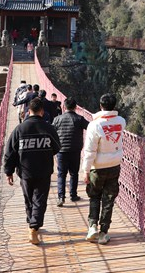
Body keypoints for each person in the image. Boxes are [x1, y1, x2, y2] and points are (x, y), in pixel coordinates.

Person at [3, 97, 60, 245]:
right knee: (40, 200)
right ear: (42, 111)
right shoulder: (48, 128)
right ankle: (34, 226)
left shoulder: (19, 129)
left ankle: (31, 223)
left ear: (29, 111)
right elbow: (57, 147)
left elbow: (10, 152)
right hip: (43, 170)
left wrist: (8, 172)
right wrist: (44, 152)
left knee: (28, 199)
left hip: (25, 171)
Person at [81, 93, 126, 245]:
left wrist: (86, 170)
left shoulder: (94, 125)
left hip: (97, 167)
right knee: (108, 200)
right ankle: (103, 233)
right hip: (114, 165)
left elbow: (89, 150)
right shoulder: (121, 122)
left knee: (94, 196)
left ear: (100, 106)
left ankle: (92, 226)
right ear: (114, 106)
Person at [52, 97, 88, 207]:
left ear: (64, 107)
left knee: (61, 174)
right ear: (76, 107)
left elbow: (52, 132)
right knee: (74, 173)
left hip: (61, 150)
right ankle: (73, 195)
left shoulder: (57, 119)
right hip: (75, 150)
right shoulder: (79, 119)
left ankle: (61, 197)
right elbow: (90, 127)